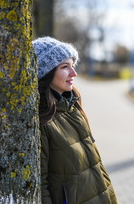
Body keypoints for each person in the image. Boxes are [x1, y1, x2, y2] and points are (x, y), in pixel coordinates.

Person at [32, 37, 117, 204]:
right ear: (45, 72)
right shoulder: (42, 122)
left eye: (72, 65)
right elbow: (40, 186)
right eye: (65, 67)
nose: (74, 73)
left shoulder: (74, 106)